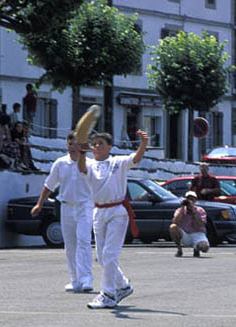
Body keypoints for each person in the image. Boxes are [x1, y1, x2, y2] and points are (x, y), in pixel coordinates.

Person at [78, 129, 149, 309]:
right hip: (99, 211)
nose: (97, 146)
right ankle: (123, 285)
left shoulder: (118, 162)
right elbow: (81, 168)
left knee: (110, 254)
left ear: (110, 147)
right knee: (102, 257)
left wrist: (143, 143)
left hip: (118, 210)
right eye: (95, 144)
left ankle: (108, 294)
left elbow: (136, 159)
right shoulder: (89, 163)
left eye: (101, 143)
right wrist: (81, 152)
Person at [32, 132, 93, 293]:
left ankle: (86, 278)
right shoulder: (60, 163)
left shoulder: (89, 163)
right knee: (70, 244)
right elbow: (49, 185)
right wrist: (39, 204)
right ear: (67, 145)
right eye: (70, 144)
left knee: (84, 241)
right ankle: (74, 279)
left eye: (76, 144)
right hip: (66, 206)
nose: (73, 147)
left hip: (84, 206)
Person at [170, 191, 210, 258]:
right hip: (185, 234)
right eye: (188, 199)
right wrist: (182, 208)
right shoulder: (180, 210)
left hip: (198, 233)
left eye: (192, 199)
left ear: (195, 200)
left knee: (204, 248)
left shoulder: (200, 210)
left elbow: (201, 224)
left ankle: (196, 249)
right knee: (173, 227)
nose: (190, 201)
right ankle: (179, 250)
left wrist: (193, 210)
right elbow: (175, 222)